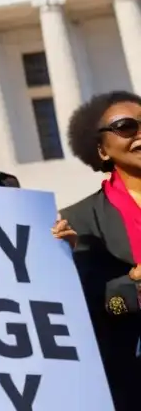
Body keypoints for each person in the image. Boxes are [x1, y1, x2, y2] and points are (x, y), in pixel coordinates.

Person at [60, 91, 141, 410]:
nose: (139, 133)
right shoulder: (77, 220)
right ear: (101, 150)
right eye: (125, 127)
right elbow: (96, 307)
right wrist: (135, 287)